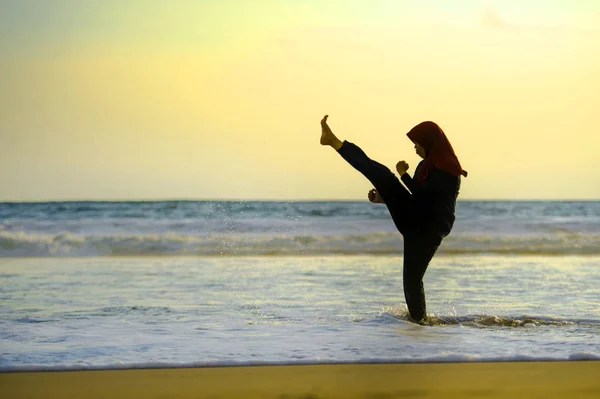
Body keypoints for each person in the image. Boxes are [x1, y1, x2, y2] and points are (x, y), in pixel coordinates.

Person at [319, 115, 467, 323]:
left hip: (428, 228)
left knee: (412, 280)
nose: (415, 148)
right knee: (381, 175)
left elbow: (424, 198)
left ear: (429, 143)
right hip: (415, 220)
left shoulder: (448, 172)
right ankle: (334, 142)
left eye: (417, 143)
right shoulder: (425, 167)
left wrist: (403, 175)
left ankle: (420, 322)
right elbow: (414, 198)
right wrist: (385, 198)